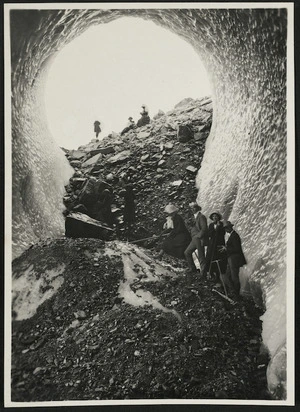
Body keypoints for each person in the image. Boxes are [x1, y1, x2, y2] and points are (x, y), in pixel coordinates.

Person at [219, 221, 247, 299]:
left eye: (226, 228)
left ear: (230, 227)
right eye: (225, 228)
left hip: (234, 258)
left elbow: (236, 248)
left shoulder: (234, 236)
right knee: (227, 275)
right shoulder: (232, 235)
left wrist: (226, 248)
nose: (226, 230)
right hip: (231, 258)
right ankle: (233, 291)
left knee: (234, 276)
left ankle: (236, 294)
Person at [184, 202, 208, 279]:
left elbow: (204, 229)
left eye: (194, 207)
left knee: (201, 256)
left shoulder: (201, 217)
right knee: (187, 252)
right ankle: (193, 269)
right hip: (194, 239)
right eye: (191, 208)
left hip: (199, 239)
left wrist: (198, 236)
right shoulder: (194, 217)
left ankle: (203, 274)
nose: (192, 209)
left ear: (197, 208)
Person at [206, 212, 227, 286]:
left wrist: (217, 228)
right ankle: (212, 275)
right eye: (213, 217)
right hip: (212, 245)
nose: (215, 218)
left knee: (219, 260)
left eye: (216, 216)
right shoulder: (211, 225)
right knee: (210, 259)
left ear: (218, 217)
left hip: (219, 244)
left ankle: (219, 278)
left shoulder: (221, 225)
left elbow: (222, 234)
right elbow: (209, 234)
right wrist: (215, 230)